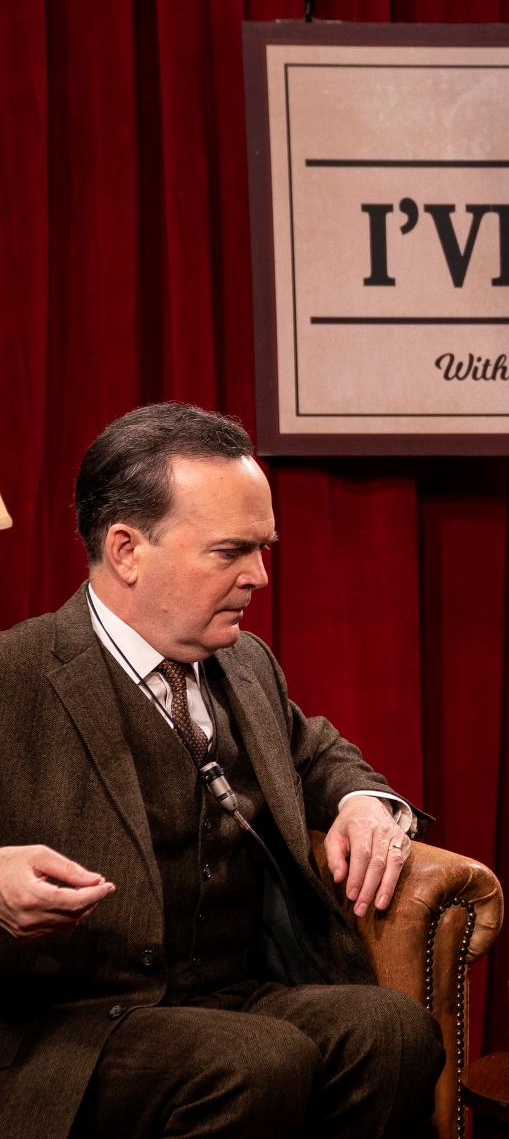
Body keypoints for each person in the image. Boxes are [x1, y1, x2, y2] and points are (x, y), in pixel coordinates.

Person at [0, 403, 443, 1139]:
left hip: (230, 996)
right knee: (253, 1061)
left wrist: (364, 802)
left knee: (391, 1032)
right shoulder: (16, 674)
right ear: (126, 550)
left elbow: (317, 751)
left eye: (264, 549)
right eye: (230, 552)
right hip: (70, 1027)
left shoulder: (243, 663)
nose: (260, 577)